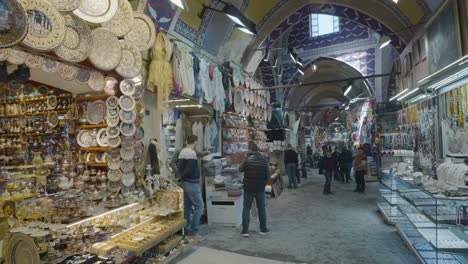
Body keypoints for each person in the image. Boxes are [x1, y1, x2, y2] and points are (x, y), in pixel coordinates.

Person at [239, 142, 270, 237]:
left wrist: (244, 157)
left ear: (249, 149)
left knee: (246, 208)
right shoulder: (264, 159)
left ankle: (245, 231)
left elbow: (240, 169)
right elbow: (267, 176)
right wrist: (263, 184)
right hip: (260, 188)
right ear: (257, 149)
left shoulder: (247, 159)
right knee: (261, 208)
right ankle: (263, 229)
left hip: (248, 188)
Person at [177, 135, 204, 236]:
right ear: (196, 142)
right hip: (191, 183)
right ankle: (193, 230)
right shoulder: (191, 153)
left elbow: (180, 167)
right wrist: (181, 178)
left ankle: (186, 229)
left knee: (187, 207)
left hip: (184, 183)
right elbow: (189, 170)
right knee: (200, 206)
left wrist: (180, 178)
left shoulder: (182, 151)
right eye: (197, 142)